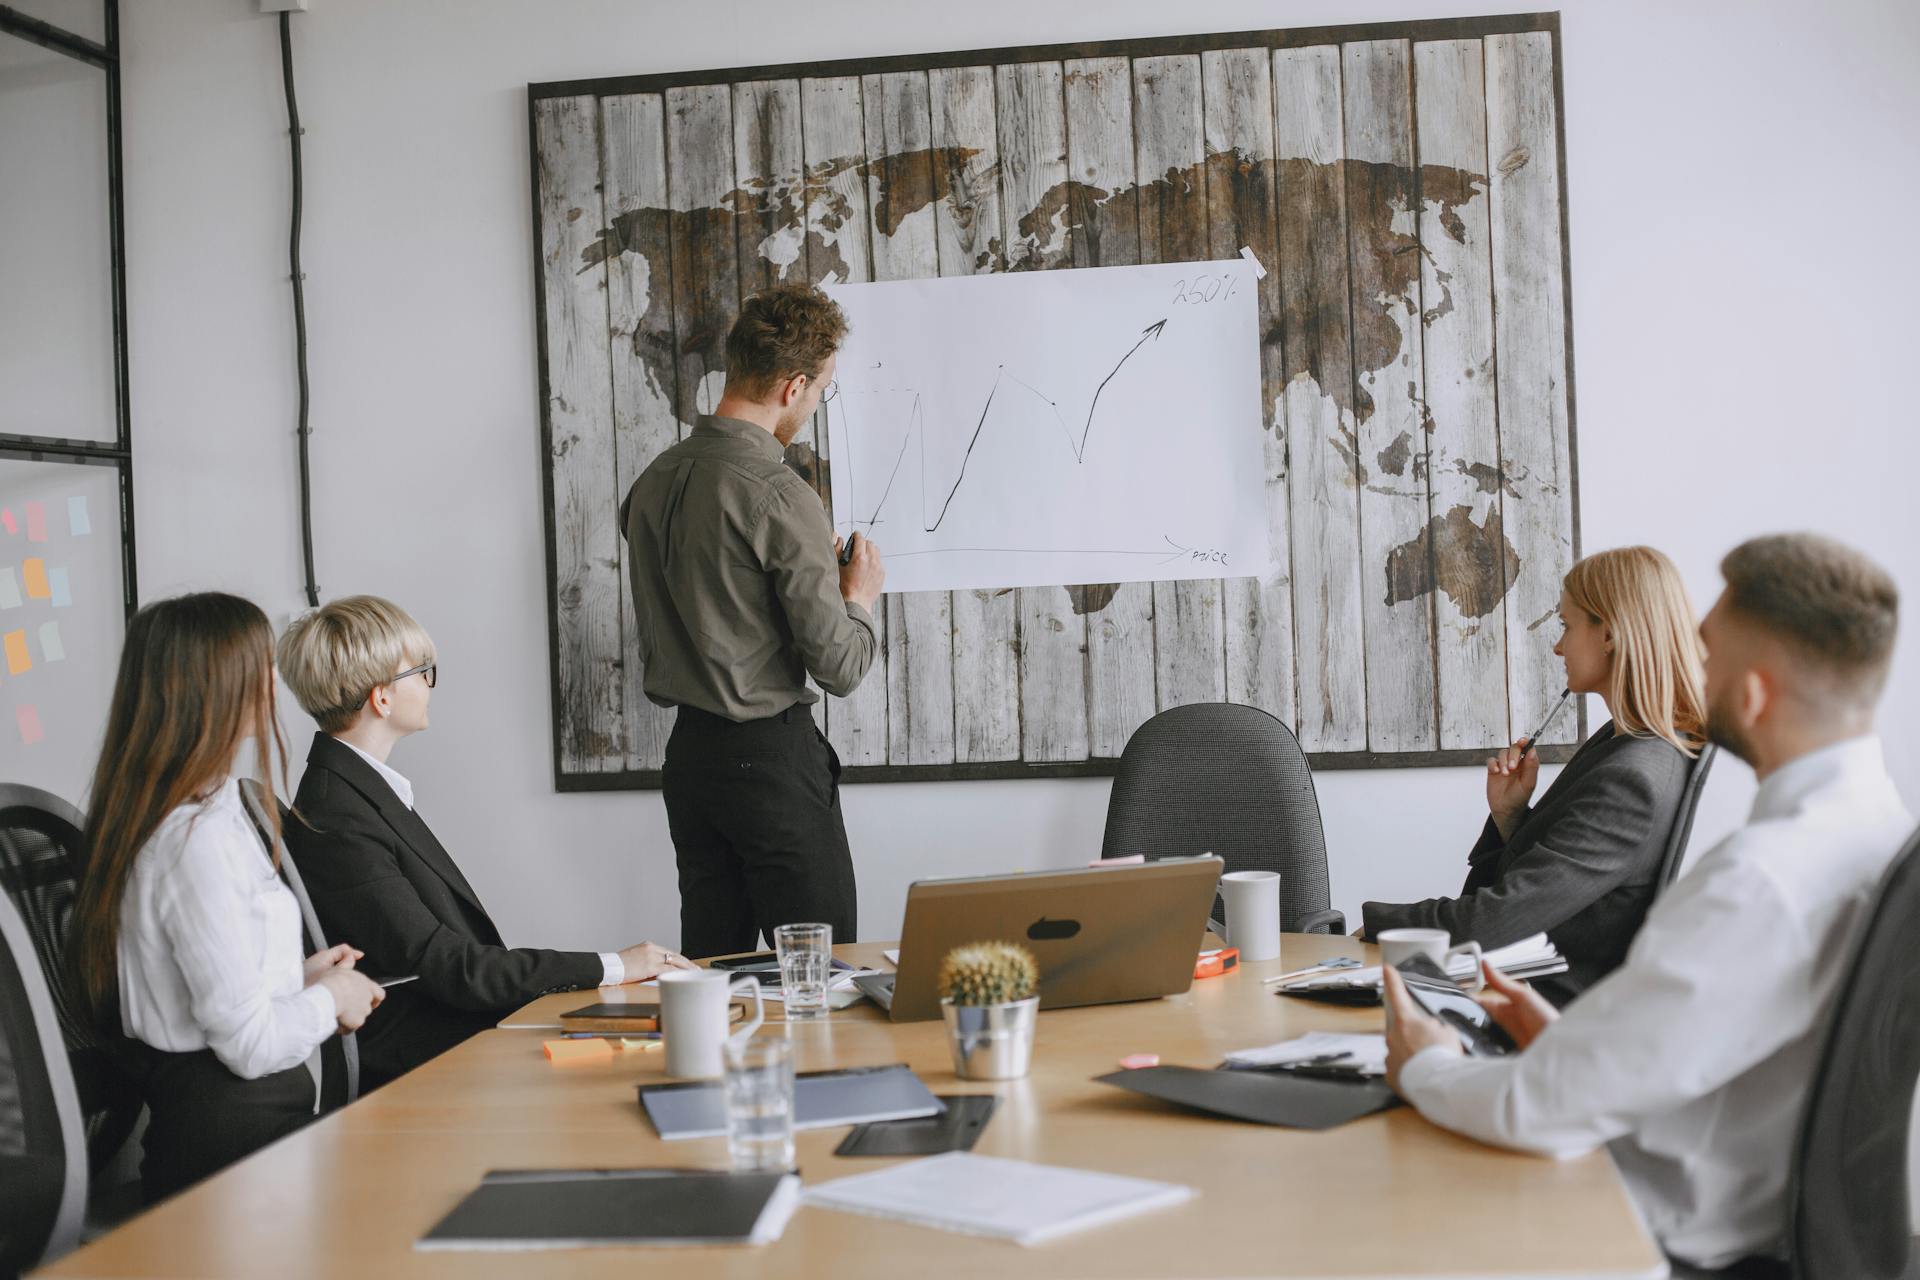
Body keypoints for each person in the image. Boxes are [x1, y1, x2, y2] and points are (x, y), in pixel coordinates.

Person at [1383, 532, 1910, 1273]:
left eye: (1706, 651)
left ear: (1753, 694)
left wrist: (1426, 1066)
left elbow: (1540, 1112)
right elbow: (1701, 1037)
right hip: (1738, 1207)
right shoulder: (1877, 836)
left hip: (1640, 1222)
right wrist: (1568, 1040)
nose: (1692, 666)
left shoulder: (1759, 882)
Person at [276, 596, 695, 1090]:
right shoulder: (338, 815)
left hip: (452, 1037)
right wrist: (616, 965)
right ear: (382, 698)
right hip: (425, 1065)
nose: (431, 685)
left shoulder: (356, 792)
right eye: (422, 671)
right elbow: (448, 967)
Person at [68, 593, 385, 1203]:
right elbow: (248, 1045)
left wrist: (296, 977)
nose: (273, 683)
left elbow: (205, 987)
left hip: (251, 1128)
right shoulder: (192, 842)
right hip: (228, 1155)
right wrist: (331, 998)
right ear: (212, 688)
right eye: (260, 666)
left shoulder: (205, 813)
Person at [620, 282, 885, 960]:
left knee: (717, 976)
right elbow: (841, 666)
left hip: (692, 763)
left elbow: (719, 596)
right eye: (822, 388)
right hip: (768, 761)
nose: (817, 402)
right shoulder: (777, 493)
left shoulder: (653, 481)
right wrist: (856, 596)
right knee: (821, 976)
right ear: (794, 386)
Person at [1358, 546, 1707, 1003]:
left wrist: (1377, 924)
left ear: (1611, 635)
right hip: (1514, 990)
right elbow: (1533, 888)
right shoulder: (1623, 746)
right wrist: (1509, 816)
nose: (1559, 646)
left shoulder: (1633, 779)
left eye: (1567, 625)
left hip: (1541, 1014)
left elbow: (1493, 923)